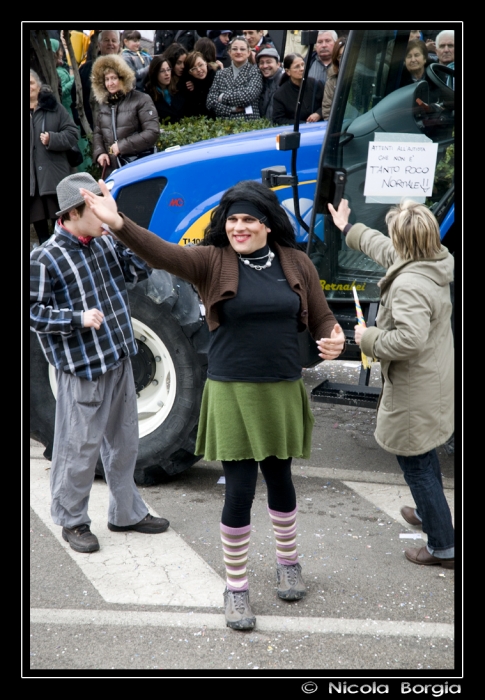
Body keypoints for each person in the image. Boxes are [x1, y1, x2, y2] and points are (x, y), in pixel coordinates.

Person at [80, 178, 346, 629]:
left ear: (267, 224)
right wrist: (119, 223)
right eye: (233, 220)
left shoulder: (296, 262)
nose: (239, 228)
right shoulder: (211, 261)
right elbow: (162, 252)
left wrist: (334, 337)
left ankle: (288, 562)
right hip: (232, 390)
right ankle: (237, 588)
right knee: (240, 490)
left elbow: (321, 316)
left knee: (281, 481)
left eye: (249, 220)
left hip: (282, 387)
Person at [30, 172, 170, 554]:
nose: (105, 215)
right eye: (97, 208)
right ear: (73, 213)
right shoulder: (44, 257)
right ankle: (72, 520)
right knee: (78, 450)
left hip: (120, 358)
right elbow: (33, 314)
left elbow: (140, 269)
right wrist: (77, 319)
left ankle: (126, 513)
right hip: (82, 370)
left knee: (125, 445)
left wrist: (120, 227)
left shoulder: (104, 242)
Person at [328, 198, 454, 570]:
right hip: (433, 378)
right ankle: (430, 512)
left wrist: (368, 337)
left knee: (415, 461)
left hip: (416, 387)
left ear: (405, 242)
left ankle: (443, 546)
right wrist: (349, 229)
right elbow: (384, 249)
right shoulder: (431, 261)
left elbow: (408, 340)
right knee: (425, 451)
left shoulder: (409, 286)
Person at [30, 70, 79, 245]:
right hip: (31, 184)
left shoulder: (55, 107)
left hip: (54, 179)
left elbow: (73, 134)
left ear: (38, 85)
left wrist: (53, 139)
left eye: (31, 83)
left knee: (62, 228)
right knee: (40, 233)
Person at [91, 54, 159, 176]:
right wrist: (100, 152)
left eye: (114, 78)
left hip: (139, 167)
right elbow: (98, 133)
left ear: (123, 78)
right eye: (107, 79)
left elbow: (152, 132)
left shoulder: (141, 99)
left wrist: (122, 146)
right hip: (113, 170)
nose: (110, 83)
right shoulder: (104, 105)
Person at [70, 30, 120, 133]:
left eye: (114, 40)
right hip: (92, 128)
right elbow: (76, 95)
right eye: (106, 40)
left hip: (119, 128)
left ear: (119, 44)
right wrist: (82, 122)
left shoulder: (125, 68)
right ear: (99, 44)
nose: (110, 43)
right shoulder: (86, 69)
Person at [206, 36, 263, 121]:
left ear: (248, 52)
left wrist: (222, 97)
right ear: (229, 52)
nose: (238, 52)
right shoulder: (220, 74)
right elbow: (210, 102)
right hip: (224, 126)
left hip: (249, 124)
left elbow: (247, 96)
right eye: (235, 49)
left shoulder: (255, 71)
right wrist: (231, 109)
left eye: (242, 49)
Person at [272, 54, 323, 125]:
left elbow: (328, 104)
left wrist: (319, 113)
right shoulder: (280, 94)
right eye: (297, 67)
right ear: (288, 72)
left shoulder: (316, 84)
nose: (302, 69)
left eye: (303, 65)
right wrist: (302, 124)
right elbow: (279, 119)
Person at [144, 55, 187, 123]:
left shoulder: (179, 87)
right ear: (155, 73)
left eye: (168, 69)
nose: (167, 73)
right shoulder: (148, 95)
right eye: (162, 71)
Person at [181, 51, 217, 118]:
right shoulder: (189, 85)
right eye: (194, 68)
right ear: (190, 72)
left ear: (205, 63)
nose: (199, 70)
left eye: (200, 65)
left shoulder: (217, 78)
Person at [256, 47, 284, 123]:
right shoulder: (258, 81)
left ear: (278, 64)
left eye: (269, 62)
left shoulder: (285, 82)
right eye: (261, 63)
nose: (265, 66)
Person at [321, 37, 346, 120]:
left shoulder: (365, 77)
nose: (344, 59)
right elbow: (327, 112)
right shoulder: (332, 82)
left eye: (346, 55)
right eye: (340, 56)